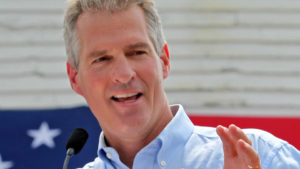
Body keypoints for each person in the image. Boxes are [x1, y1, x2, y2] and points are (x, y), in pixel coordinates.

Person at [64, 0, 300, 168]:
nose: (124, 74)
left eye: (136, 52)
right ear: (75, 78)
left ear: (164, 61)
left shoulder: (260, 154)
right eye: (102, 59)